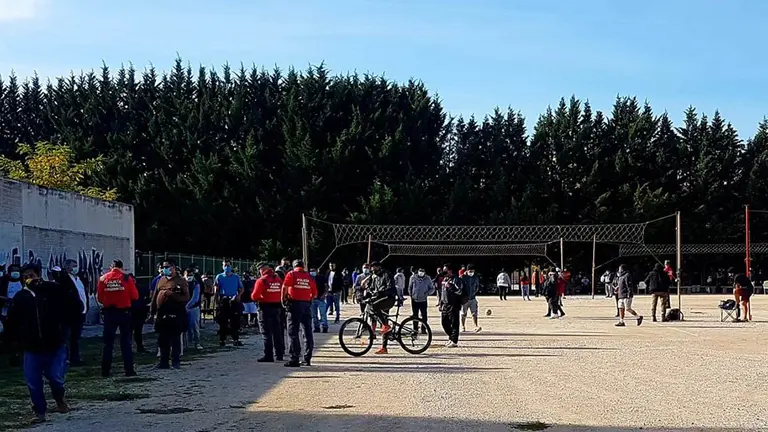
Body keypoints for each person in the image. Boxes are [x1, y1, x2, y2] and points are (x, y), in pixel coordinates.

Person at [5, 263, 80, 424]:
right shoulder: (21, 297)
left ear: (39, 275)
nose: (28, 279)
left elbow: (74, 305)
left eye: (31, 275)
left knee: (55, 377)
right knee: (33, 381)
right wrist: (14, 344)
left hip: (54, 344)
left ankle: (60, 400)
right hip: (31, 347)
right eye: (25, 276)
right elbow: (12, 322)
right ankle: (39, 411)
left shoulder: (51, 291)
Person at [97, 259, 139, 378]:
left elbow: (100, 298)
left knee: (108, 344)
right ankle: (129, 371)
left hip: (109, 314)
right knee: (126, 342)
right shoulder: (126, 278)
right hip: (124, 313)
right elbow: (135, 296)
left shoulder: (103, 278)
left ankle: (105, 371)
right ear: (121, 267)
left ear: (111, 267)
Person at [150, 260, 190, 369]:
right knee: (162, 339)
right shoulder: (161, 280)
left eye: (167, 267)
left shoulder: (181, 281)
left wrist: (172, 294)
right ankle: (164, 362)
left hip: (175, 313)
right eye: (163, 267)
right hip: (162, 313)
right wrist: (152, 311)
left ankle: (175, 361)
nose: (165, 269)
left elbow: (186, 297)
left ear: (173, 267)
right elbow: (155, 296)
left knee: (175, 339)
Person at [282, 259, 317, 367]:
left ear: (294, 266)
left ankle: (294, 358)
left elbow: (284, 288)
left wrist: (283, 300)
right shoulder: (309, 276)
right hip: (306, 305)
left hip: (294, 305)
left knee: (293, 332)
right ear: (303, 266)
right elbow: (314, 294)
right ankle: (307, 358)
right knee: (307, 332)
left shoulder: (291, 274)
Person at [53, 259, 87, 366]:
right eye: (73, 266)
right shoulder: (64, 280)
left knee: (76, 338)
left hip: (81, 313)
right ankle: (64, 358)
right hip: (69, 313)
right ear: (67, 267)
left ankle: (75, 358)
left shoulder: (79, 279)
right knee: (65, 337)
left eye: (76, 265)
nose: (76, 267)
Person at [252, 262, 285, 362]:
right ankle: (279, 354)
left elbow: (254, 296)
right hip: (277, 307)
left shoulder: (261, 280)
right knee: (277, 332)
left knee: (266, 333)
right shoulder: (278, 279)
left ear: (261, 270)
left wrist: (262, 296)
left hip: (265, 307)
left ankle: (269, 355)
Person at [365, 261, 397, 355]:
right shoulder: (374, 277)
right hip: (380, 299)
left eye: (374, 268)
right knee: (380, 317)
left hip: (388, 299)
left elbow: (391, 288)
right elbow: (370, 288)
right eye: (372, 268)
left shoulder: (387, 274)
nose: (372, 270)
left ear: (379, 267)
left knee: (376, 308)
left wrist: (380, 293)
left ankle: (385, 326)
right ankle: (384, 347)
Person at [214, 260, 244, 347]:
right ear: (222, 267)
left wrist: (239, 296)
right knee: (223, 321)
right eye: (225, 265)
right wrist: (217, 301)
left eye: (228, 265)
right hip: (224, 300)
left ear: (231, 266)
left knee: (235, 320)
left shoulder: (236, 277)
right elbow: (216, 290)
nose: (226, 267)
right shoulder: (219, 276)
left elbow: (241, 289)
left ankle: (236, 339)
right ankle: (222, 340)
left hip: (233, 300)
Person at [439, 264, 465, 347]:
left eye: (445, 271)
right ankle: (451, 337)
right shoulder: (445, 279)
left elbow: (459, 291)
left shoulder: (456, 280)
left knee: (454, 323)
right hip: (446, 304)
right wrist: (441, 303)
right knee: (444, 322)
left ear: (450, 271)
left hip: (454, 304)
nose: (444, 272)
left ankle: (454, 341)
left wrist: (450, 286)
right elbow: (442, 293)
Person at [408, 267, 434, 334]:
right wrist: (411, 295)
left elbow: (432, 288)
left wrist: (427, 293)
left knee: (424, 315)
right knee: (415, 315)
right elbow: (410, 287)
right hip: (414, 300)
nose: (421, 272)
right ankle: (415, 329)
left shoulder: (428, 278)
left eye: (422, 271)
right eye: (420, 271)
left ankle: (423, 329)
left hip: (423, 300)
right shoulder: (413, 277)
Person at [184, 266, 203, 351]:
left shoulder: (196, 284)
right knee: (184, 327)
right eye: (187, 275)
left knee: (194, 325)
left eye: (191, 275)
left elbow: (195, 298)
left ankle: (197, 342)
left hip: (193, 307)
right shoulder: (182, 283)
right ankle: (185, 344)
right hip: (183, 308)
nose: (189, 276)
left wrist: (187, 305)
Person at [460, 264, 482, 333]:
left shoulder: (475, 277)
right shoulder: (462, 277)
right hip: (464, 299)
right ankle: (463, 326)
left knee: (474, 313)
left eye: (472, 271)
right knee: (463, 313)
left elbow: (477, 286)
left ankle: (476, 326)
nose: (471, 272)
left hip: (472, 298)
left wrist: (474, 292)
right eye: (470, 271)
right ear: (467, 270)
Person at [310, 267, 329, 333]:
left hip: (321, 298)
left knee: (323, 314)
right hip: (312, 299)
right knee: (314, 315)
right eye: (311, 271)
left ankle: (324, 326)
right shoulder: (309, 278)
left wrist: (324, 294)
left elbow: (326, 286)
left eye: (314, 270)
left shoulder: (321, 277)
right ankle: (316, 327)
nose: (312, 272)